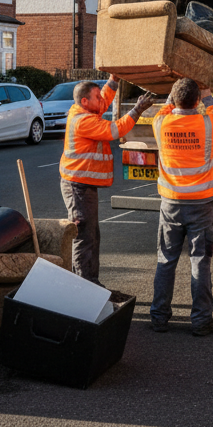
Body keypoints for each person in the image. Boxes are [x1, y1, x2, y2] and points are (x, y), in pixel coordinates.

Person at [149, 77, 213, 336]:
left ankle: (159, 317)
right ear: (197, 101)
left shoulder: (160, 124)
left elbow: (162, 109)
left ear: (174, 100)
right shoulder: (207, 124)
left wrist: (172, 96)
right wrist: (208, 95)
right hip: (201, 205)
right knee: (200, 261)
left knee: (166, 260)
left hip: (170, 203)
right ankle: (201, 321)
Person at [59, 75, 155, 286]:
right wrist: (137, 110)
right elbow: (115, 130)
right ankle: (84, 285)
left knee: (92, 235)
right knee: (84, 236)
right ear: (85, 101)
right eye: (95, 97)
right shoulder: (84, 121)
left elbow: (103, 99)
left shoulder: (85, 109)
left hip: (82, 184)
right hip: (78, 186)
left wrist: (113, 80)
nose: (101, 102)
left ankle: (91, 281)